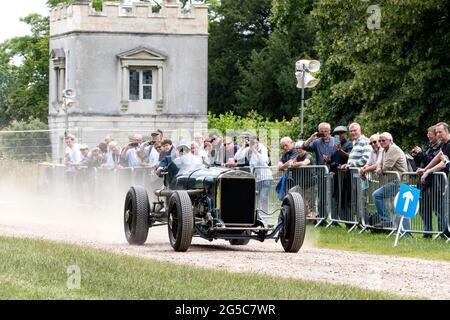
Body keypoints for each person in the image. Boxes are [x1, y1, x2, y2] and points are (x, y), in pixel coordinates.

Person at [416, 122, 450, 238]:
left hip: (443, 181)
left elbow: (443, 164)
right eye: (437, 132)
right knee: (438, 208)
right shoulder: (444, 145)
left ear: (447, 131)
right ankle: (444, 234)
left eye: (440, 132)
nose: (438, 134)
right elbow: (437, 158)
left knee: (441, 208)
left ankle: (445, 234)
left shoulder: (449, 145)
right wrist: (425, 169)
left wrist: (427, 172)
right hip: (442, 181)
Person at [372, 132, 410, 230]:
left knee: (378, 195)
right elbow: (380, 164)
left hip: (399, 181)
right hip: (396, 181)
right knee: (400, 208)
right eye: (380, 140)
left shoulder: (393, 149)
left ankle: (386, 221)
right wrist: (380, 166)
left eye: (383, 140)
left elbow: (386, 166)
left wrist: (381, 167)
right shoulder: (385, 150)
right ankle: (404, 232)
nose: (381, 142)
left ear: (390, 140)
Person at [248, 136, 272, 216]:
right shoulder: (251, 152)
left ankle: (265, 214)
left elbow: (263, 161)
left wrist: (255, 151)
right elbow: (252, 165)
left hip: (266, 177)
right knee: (256, 198)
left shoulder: (263, 149)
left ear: (258, 142)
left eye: (255, 142)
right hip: (257, 179)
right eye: (252, 143)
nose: (254, 144)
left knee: (263, 197)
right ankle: (257, 215)